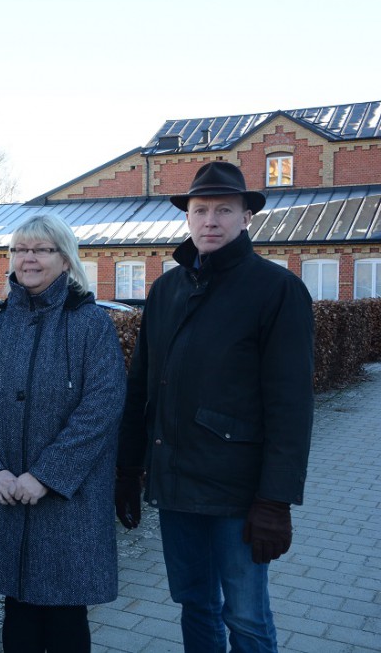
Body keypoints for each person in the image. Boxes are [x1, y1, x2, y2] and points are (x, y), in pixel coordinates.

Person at [116, 161, 315, 652]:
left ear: (246, 217)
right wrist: (128, 467)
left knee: (245, 616)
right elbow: (142, 386)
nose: (210, 220)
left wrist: (275, 501)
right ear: (187, 217)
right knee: (195, 605)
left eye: (223, 210)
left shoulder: (276, 289)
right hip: (177, 484)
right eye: (200, 209)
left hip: (239, 493)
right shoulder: (166, 290)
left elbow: (291, 405)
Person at [0, 214, 126, 652]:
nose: (27, 258)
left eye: (40, 249)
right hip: (5, 491)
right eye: (19, 249)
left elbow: (100, 411)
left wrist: (46, 476)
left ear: (65, 260)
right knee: (18, 613)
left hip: (68, 501)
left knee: (66, 614)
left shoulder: (91, 325)